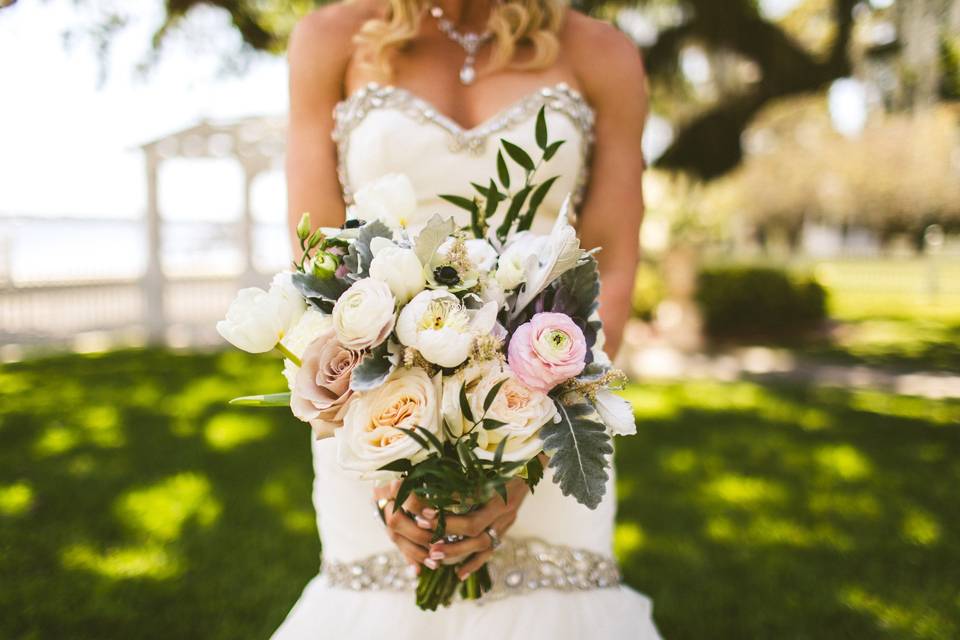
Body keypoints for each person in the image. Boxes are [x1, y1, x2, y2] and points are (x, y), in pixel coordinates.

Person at [275, 1, 659, 637]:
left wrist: (523, 451)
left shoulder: (601, 52)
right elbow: (316, 262)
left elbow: (610, 265)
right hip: (372, 414)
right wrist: (392, 461)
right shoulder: (329, 39)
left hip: (555, 410)